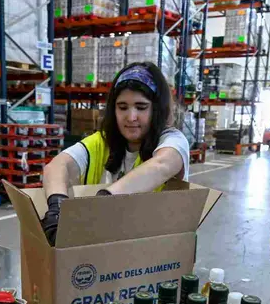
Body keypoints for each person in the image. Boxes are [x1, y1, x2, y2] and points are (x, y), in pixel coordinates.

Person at [41, 62, 191, 245]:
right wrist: (57, 207)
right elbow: (58, 166)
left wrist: (103, 202)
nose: (131, 117)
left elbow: (162, 165)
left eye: (141, 107)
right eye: (122, 107)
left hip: (154, 251)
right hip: (103, 250)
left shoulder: (173, 141)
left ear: (156, 110)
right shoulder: (102, 142)